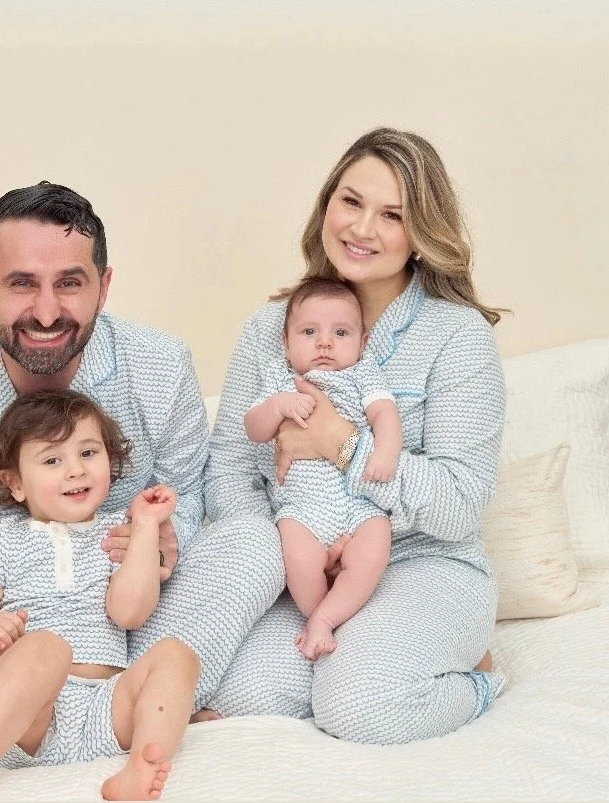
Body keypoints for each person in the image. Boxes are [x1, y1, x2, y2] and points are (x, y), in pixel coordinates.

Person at [0, 181, 282, 766]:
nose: (45, 312)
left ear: (103, 286)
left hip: (126, 613)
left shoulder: (161, 366)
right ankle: (121, 716)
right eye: (21, 284)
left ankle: (20, 729)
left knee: (254, 541)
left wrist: (166, 540)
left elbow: (188, 490)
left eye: (69, 283)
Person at [201, 127, 507, 744]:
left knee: (358, 706)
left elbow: (459, 504)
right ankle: (358, 652)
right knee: (224, 691)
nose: (362, 228)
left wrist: (342, 444)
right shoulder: (269, 328)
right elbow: (229, 468)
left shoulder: (458, 337)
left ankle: (477, 677)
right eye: (351, 201)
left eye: (392, 215)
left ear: (422, 233)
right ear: (327, 205)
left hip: (423, 562)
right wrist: (292, 543)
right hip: (306, 564)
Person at [0, 390, 198, 801]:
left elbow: (129, 613)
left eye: (88, 453)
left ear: (110, 461)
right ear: (15, 483)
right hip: (27, 715)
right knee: (47, 647)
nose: (75, 470)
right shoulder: (1, 543)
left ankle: (140, 768)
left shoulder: (118, 535)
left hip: (103, 709)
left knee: (177, 655)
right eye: (52, 461)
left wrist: (146, 526)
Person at [244, 276, 401, 660]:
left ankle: (328, 618)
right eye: (309, 332)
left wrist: (384, 453)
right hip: (302, 509)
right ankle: (317, 614)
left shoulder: (362, 374)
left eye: (341, 333)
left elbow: (385, 414)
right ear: (285, 342)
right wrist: (277, 407)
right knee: (298, 560)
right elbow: (253, 429)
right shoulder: (281, 380)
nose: (325, 343)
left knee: (375, 545)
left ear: (363, 342)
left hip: (358, 503)